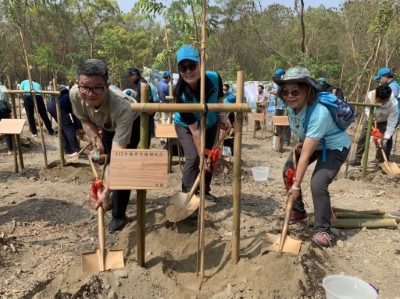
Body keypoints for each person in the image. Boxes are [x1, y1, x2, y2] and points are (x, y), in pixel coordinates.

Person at [273, 66, 351, 248]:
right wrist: (303, 142)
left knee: (317, 183)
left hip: (335, 147)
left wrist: (296, 185)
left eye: (295, 91)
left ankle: (323, 230)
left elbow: (306, 155)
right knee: (288, 171)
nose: (290, 95)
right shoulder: (291, 107)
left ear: (308, 91)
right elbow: (303, 131)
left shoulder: (319, 113)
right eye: (285, 91)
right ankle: (299, 212)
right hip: (317, 143)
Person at [70, 59, 141, 233]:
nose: (90, 93)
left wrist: (106, 191)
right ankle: (111, 190)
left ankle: (118, 214)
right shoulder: (74, 93)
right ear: (78, 84)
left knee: (122, 168)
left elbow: (119, 158)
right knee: (107, 161)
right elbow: (84, 119)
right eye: (84, 87)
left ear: (107, 86)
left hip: (131, 121)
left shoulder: (123, 107)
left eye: (97, 88)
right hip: (106, 124)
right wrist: (95, 139)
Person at [173, 45, 227, 201]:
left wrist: (222, 117)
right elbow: (195, 131)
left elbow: (219, 99)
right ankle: (188, 194)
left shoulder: (215, 78)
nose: (188, 72)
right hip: (186, 126)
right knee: (194, 157)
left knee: (210, 156)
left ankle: (204, 191)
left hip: (210, 123)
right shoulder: (180, 94)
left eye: (192, 66)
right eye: (183, 68)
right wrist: (201, 156)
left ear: (200, 64)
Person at [349, 84, 398, 166]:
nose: (382, 103)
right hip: (370, 120)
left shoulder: (394, 103)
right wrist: (370, 117)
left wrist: (386, 137)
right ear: (377, 97)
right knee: (362, 138)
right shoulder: (370, 95)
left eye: (385, 101)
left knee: (381, 142)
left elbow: (392, 121)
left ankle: (380, 162)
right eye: (380, 101)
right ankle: (357, 159)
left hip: (383, 122)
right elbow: (367, 108)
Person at [47, 85, 83, 156]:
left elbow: (74, 115)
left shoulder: (66, 95)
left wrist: (78, 126)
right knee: (69, 128)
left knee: (63, 127)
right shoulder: (71, 98)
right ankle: (76, 150)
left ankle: (67, 147)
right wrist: (78, 127)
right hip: (58, 107)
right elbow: (76, 115)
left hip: (51, 107)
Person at [127, 67, 155, 141]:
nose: (130, 78)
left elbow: (148, 98)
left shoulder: (142, 83)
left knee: (145, 131)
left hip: (146, 110)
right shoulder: (139, 82)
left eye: (131, 76)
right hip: (142, 110)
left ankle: (146, 148)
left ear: (135, 75)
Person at [272, 69, 291, 146]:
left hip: (286, 106)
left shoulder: (287, 84)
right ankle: (278, 139)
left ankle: (286, 140)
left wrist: (277, 93)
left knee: (286, 124)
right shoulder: (277, 85)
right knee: (278, 122)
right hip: (278, 106)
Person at [0, 82, 13, 154]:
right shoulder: (3, 87)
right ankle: (10, 149)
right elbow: (7, 100)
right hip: (3, 108)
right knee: (7, 128)